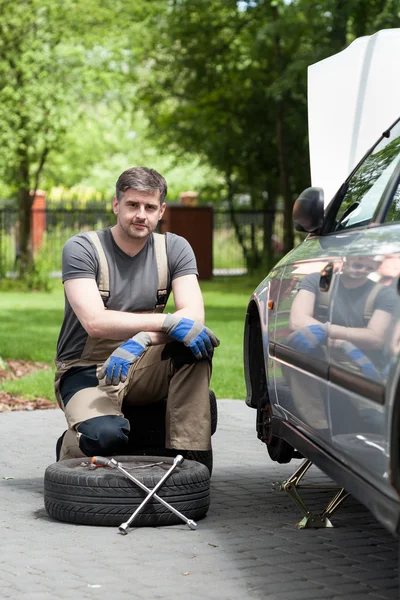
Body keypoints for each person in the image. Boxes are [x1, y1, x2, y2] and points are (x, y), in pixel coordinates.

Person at [54, 166, 219, 461]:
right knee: (105, 437)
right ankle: (74, 446)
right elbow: (95, 322)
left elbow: (193, 319)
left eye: (149, 207)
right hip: (87, 369)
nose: (141, 214)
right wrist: (167, 321)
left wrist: (142, 339)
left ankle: (191, 463)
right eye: (132, 205)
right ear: (117, 205)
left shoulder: (174, 248)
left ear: (161, 211)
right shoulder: (82, 248)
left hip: (143, 363)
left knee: (195, 344)